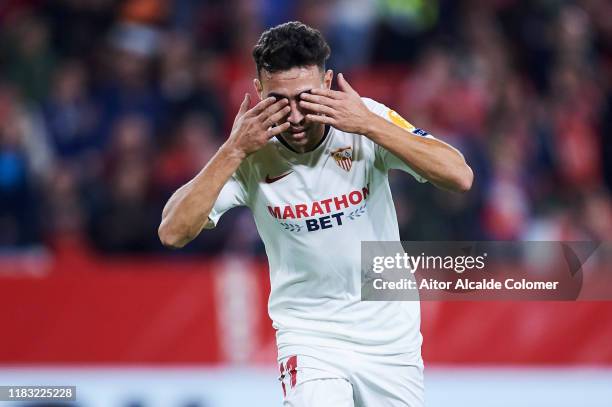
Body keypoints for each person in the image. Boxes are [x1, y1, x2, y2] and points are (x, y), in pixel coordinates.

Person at [158, 21, 473, 407]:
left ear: (327, 83)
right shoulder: (248, 150)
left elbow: (459, 175)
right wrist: (231, 151)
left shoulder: (365, 120)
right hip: (310, 337)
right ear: (258, 91)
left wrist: (370, 126)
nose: (293, 115)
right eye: (278, 100)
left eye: (305, 98)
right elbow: (172, 231)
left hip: (390, 337)